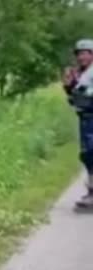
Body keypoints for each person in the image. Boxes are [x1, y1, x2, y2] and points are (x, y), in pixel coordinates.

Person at [63, 38, 93, 207]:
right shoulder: (82, 73)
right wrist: (70, 86)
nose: (81, 57)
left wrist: (80, 91)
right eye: (79, 54)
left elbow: (85, 94)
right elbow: (75, 95)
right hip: (85, 118)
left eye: (84, 54)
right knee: (88, 155)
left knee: (90, 153)